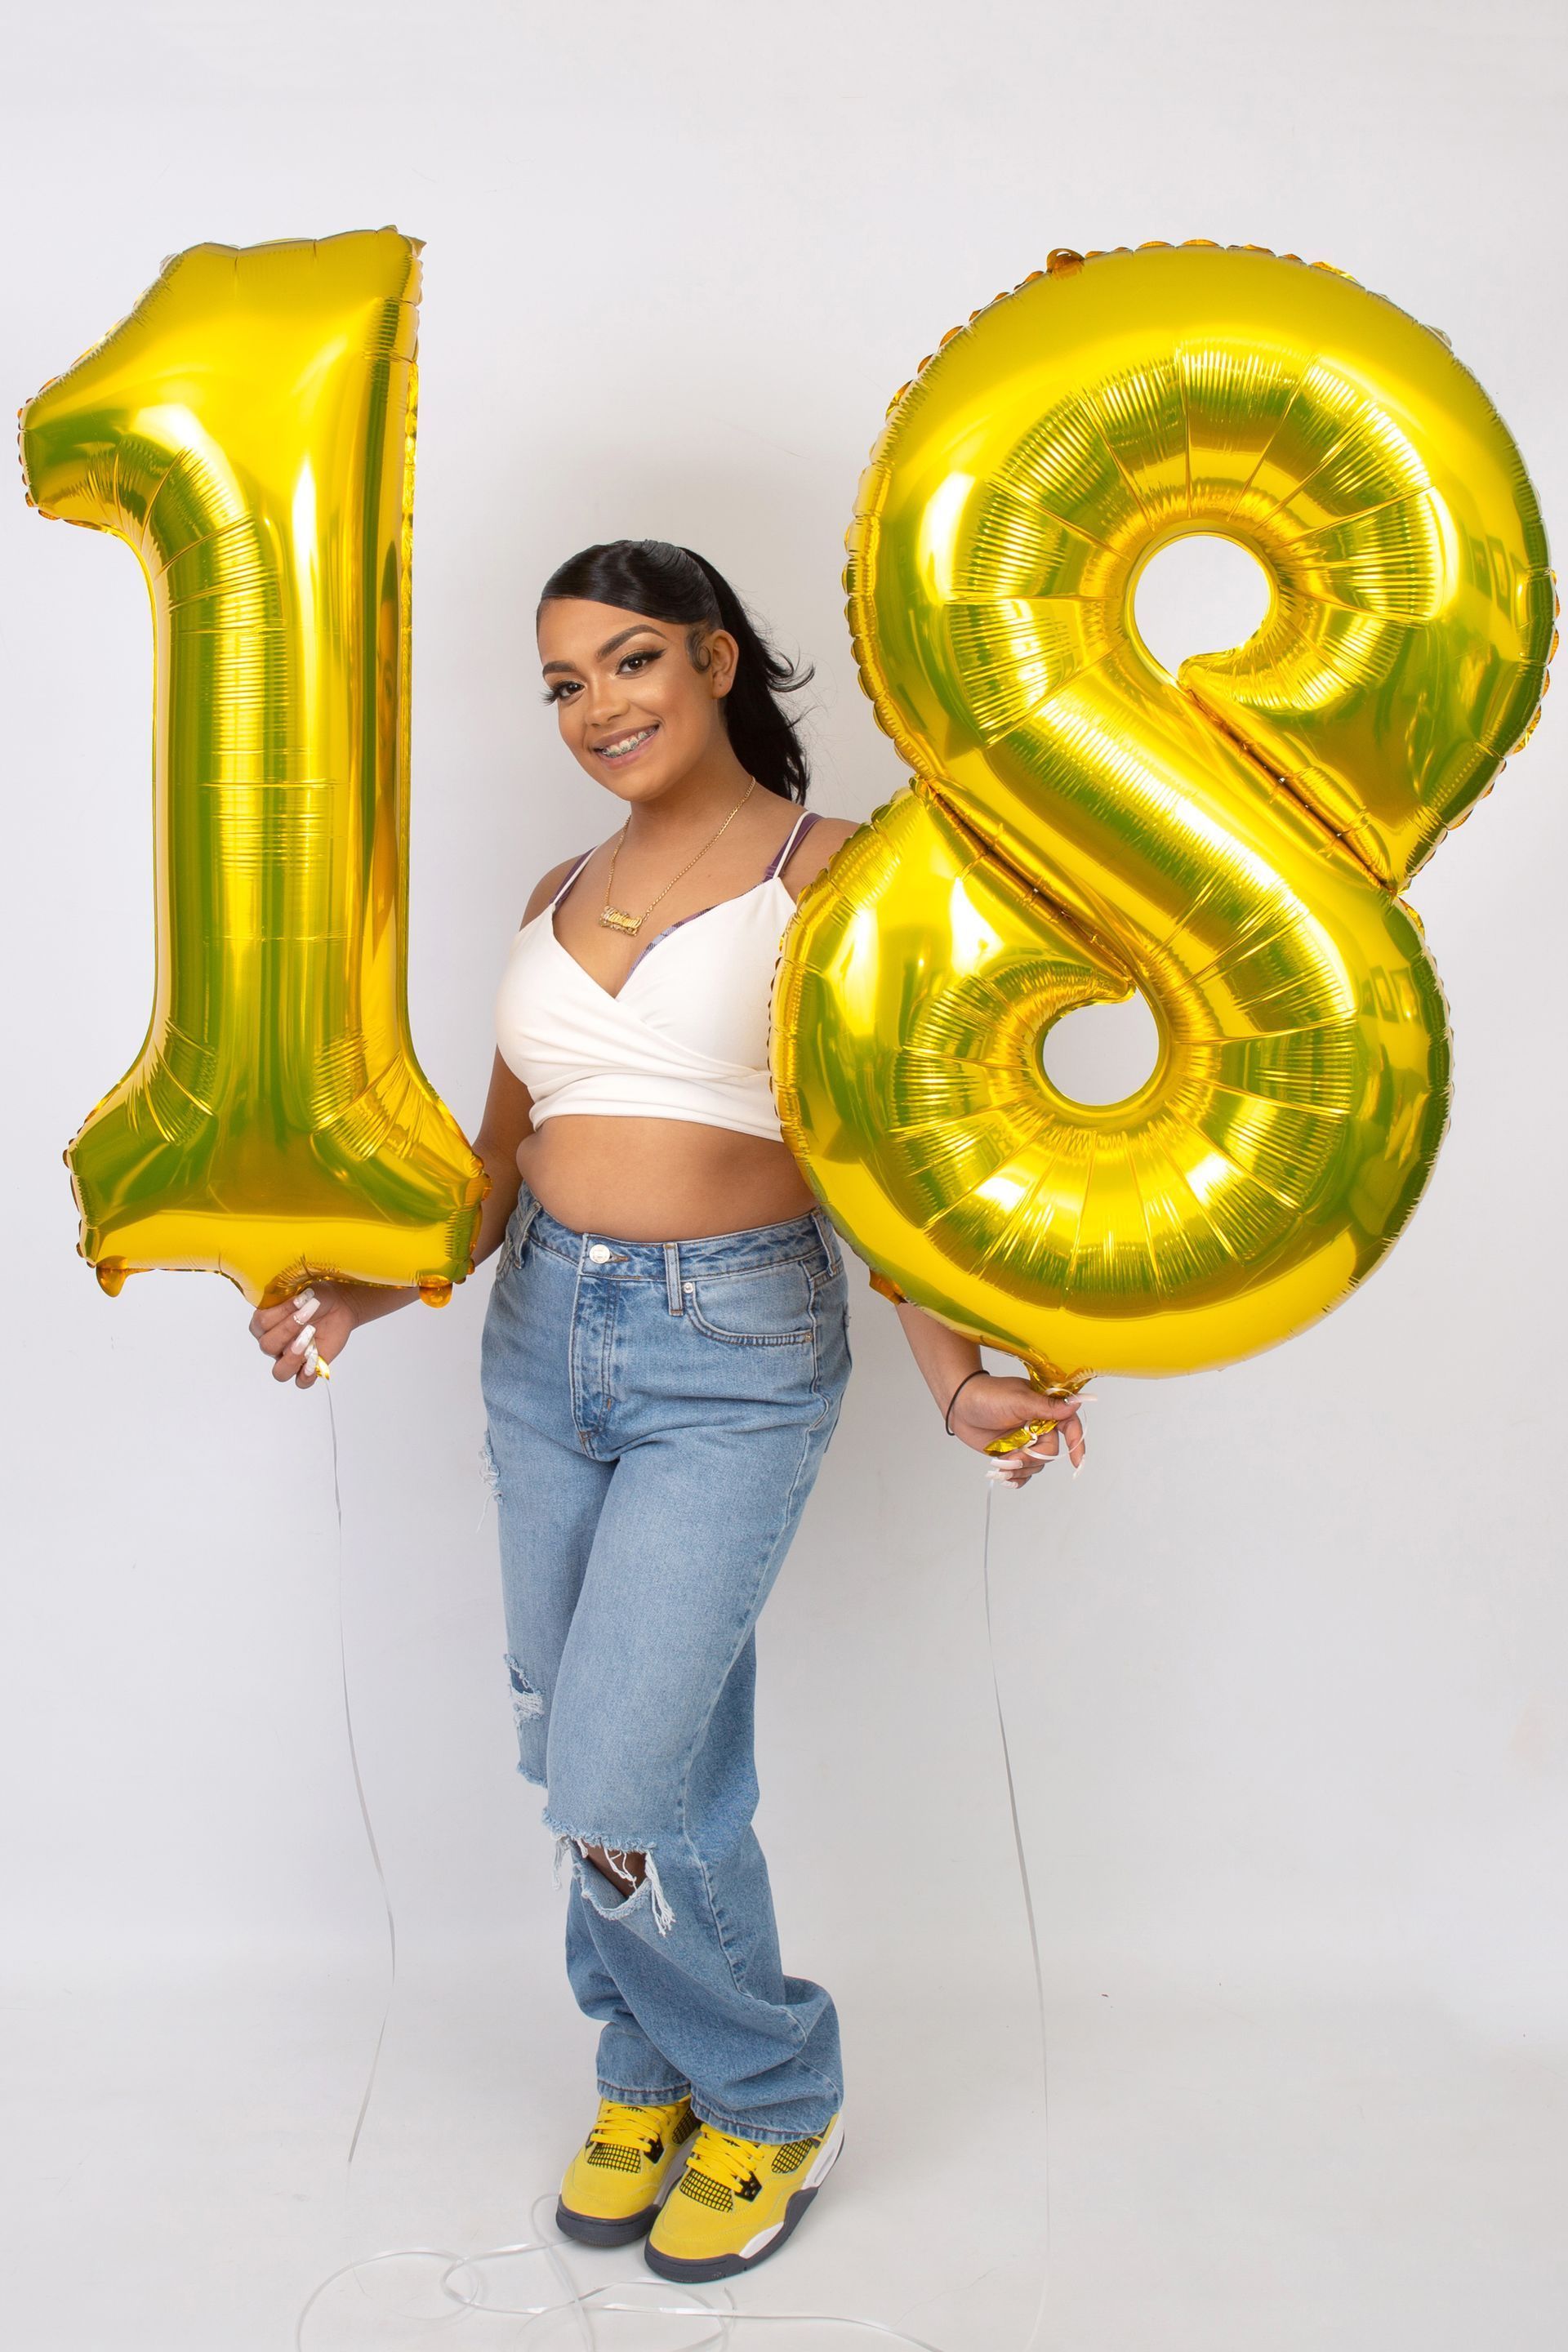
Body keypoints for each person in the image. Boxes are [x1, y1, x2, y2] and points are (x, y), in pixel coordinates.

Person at [248, 540, 1085, 2282]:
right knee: (600, 1747)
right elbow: (496, 1165)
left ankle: (772, 2088)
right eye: (563, 683)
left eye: (629, 662)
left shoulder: (838, 870)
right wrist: (359, 1289)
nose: (596, 708)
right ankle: (645, 2073)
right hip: (547, 1334)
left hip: (738, 1352)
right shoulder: (558, 884)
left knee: (618, 1766)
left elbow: (889, 1170)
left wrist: (955, 1377)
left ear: (715, 660)